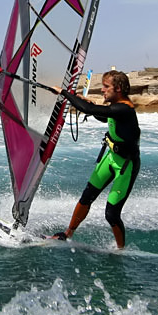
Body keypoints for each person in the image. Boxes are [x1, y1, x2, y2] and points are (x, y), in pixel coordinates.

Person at [51, 70, 140, 249]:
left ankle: (121, 250)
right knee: (87, 196)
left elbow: (92, 110)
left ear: (119, 89)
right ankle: (68, 233)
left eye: (106, 87)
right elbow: (100, 114)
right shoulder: (116, 108)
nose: (102, 90)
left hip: (125, 165)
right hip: (110, 158)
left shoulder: (124, 109)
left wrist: (64, 93)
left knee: (112, 214)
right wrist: (83, 101)